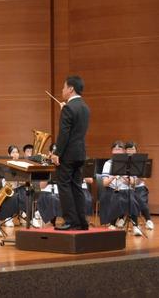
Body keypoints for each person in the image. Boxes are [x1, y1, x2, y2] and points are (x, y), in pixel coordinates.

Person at [50, 75, 90, 231]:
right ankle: (82, 221)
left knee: (64, 186)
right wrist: (64, 110)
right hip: (80, 154)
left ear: (71, 88)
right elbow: (76, 128)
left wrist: (56, 153)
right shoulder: (85, 107)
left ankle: (70, 221)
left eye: (64, 87)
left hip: (68, 154)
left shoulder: (68, 108)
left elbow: (64, 133)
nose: (62, 90)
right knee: (77, 187)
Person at [100, 141, 141, 235]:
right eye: (115, 149)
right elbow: (105, 183)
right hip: (111, 189)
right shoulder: (108, 163)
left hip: (126, 190)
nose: (117, 151)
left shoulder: (129, 164)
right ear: (112, 151)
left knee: (132, 199)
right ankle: (113, 224)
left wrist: (123, 175)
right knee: (116, 197)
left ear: (124, 151)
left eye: (120, 149)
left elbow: (133, 183)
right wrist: (114, 175)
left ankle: (135, 226)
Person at [0, 145, 28, 227]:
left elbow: (25, 180)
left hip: (19, 187)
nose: (15, 154)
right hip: (8, 188)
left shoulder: (22, 164)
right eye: (13, 152)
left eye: (17, 152)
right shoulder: (5, 164)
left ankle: (24, 215)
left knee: (25, 193)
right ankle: (8, 217)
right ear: (8, 154)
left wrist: (22, 181)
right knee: (13, 197)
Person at [125, 141, 154, 230]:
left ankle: (148, 220)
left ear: (136, 150)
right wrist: (131, 182)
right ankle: (135, 225)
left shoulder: (141, 161)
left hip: (139, 187)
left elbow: (144, 177)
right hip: (127, 187)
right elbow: (124, 178)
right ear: (125, 151)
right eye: (128, 149)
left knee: (140, 199)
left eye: (132, 149)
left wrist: (135, 181)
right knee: (132, 200)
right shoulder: (122, 161)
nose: (130, 151)